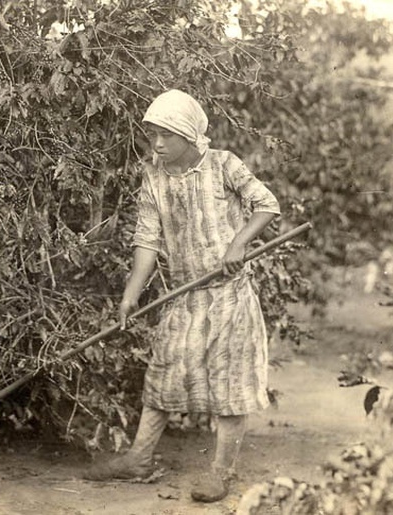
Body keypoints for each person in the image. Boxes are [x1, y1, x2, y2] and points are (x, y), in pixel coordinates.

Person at [83, 90, 280, 503]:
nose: (157, 144)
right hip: (183, 296)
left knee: (228, 383)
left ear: (190, 135)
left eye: (166, 136)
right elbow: (147, 243)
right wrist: (129, 297)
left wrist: (238, 244)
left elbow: (267, 205)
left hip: (228, 293)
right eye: (153, 134)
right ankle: (139, 459)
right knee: (164, 374)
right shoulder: (153, 178)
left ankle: (220, 472)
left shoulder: (225, 165)